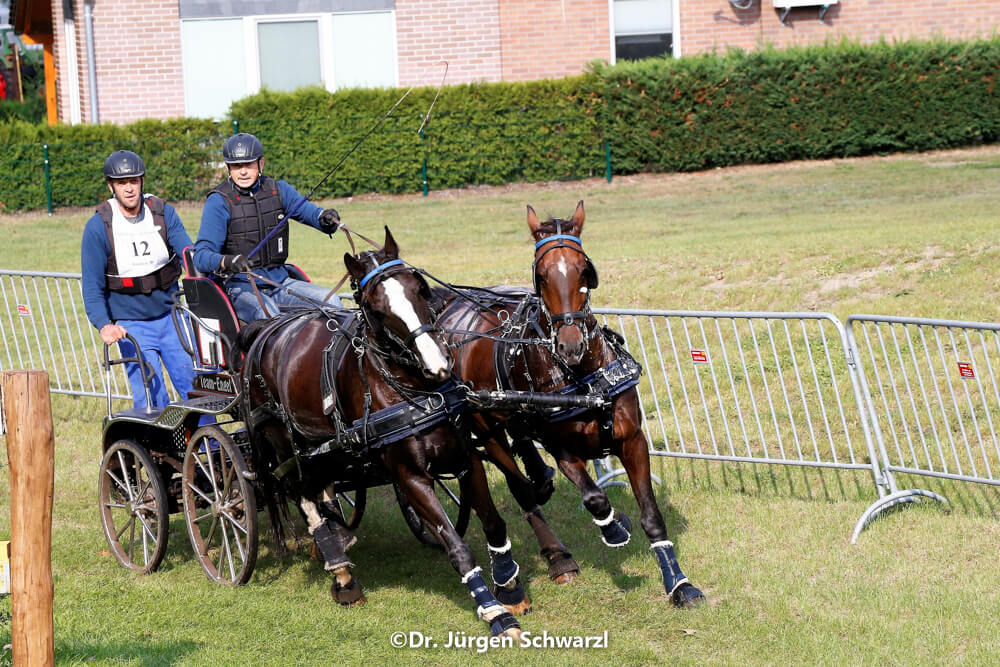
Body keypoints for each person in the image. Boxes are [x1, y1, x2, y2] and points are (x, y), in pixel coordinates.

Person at [82, 150, 196, 410]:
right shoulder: (99, 226)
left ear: (142, 181)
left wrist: (208, 265)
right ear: (111, 186)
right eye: (121, 183)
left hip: (172, 317)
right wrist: (104, 324)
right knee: (150, 399)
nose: (129, 188)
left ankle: (207, 436)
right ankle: (155, 438)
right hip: (131, 325)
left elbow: (189, 255)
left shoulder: (163, 213)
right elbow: (92, 286)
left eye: (133, 181)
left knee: (196, 388)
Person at [193, 133, 343, 322]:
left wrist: (325, 218)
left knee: (332, 301)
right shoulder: (218, 201)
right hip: (239, 288)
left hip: (280, 283)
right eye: (237, 166)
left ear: (261, 163)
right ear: (228, 167)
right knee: (271, 316)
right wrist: (228, 261)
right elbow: (201, 256)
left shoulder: (278, 190)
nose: (243, 172)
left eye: (249, 164)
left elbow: (311, 213)